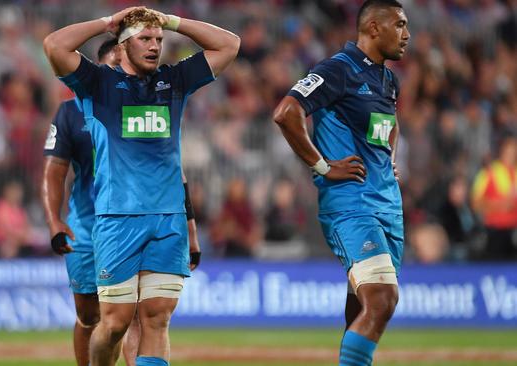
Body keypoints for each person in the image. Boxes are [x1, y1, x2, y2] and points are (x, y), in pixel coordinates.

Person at [43, 7, 238, 366]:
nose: (154, 46)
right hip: (117, 221)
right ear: (122, 46)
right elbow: (55, 45)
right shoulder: (98, 84)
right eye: (145, 39)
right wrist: (106, 23)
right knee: (113, 324)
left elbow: (229, 44)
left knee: (156, 319)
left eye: (159, 40)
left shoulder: (174, 80)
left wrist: (172, 21)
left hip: (167, 220)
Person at [273, 1, 409, 365]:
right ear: (374, 28)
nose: (407, 35)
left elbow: (389, 127)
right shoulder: (337, 69)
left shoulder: (388, 79)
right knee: (383, 299)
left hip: (387, 206)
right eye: (399, 25)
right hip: (352, 204)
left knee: (363, 306)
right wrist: (321, 165)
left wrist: (388, 160)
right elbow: (287, 113)